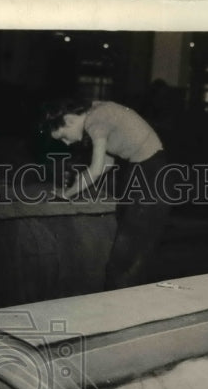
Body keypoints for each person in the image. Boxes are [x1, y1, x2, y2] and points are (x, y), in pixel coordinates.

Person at [42, 98, 169, 290]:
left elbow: (96, 169)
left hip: (149, 173)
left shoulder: (95, 120)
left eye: (63, 137)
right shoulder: (99, 113)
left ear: (68, 120)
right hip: (149, 169)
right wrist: (71, 190)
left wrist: (66, 195)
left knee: (123, 263)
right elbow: (106, 165)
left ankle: (120, 309)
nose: (67, 144)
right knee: (133, 255)